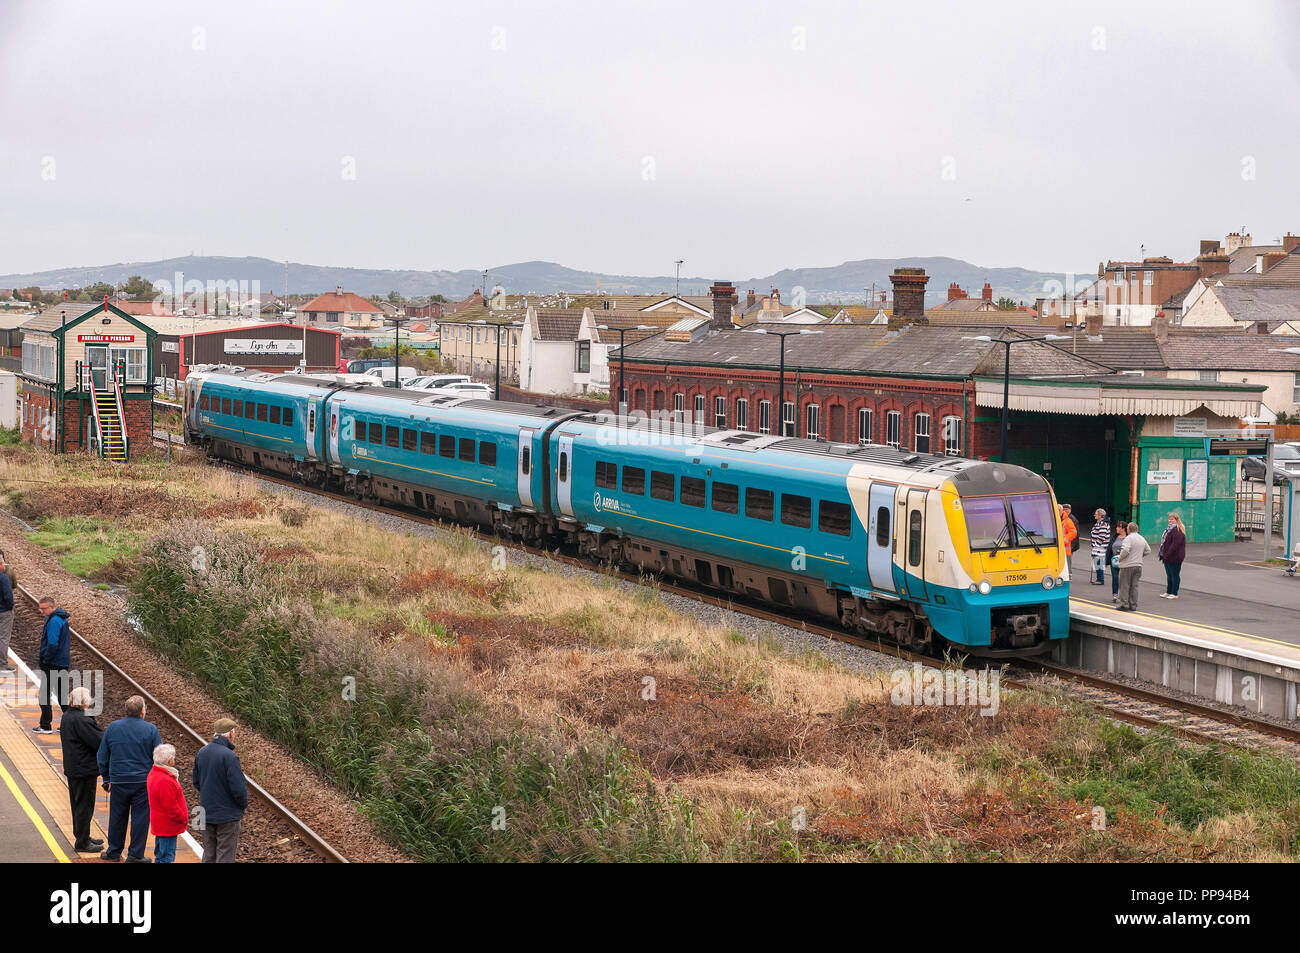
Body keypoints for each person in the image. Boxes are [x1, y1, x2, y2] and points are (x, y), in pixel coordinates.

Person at [96, 695, 163, 862]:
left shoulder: (113, 728)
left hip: (118, 780)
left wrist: (106, 777)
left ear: (126, 711)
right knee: (140, 818)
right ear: (142, 711)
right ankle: (135, 855)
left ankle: (113, 852)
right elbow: (159, 756)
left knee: (117, 816)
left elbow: (102, 755)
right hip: (142, 782)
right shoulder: (151, 730)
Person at [193, 718, 247, 863]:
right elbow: (239, 790)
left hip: (207, 811)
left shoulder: (201, 752)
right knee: (225, 856)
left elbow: (196, 782)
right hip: (227, 815)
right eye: (234, 733)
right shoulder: (230, 757)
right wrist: (241, 806)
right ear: (230, 734)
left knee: (209, 854)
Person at [59, 686, 105, 853]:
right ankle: (82, 842)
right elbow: (99, 741)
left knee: (78, 804)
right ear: (84, 702)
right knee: (85, 806)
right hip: (84, 769)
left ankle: (82, 835)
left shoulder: (67, 716)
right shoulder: (83, 720)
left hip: (74, 767)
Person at [147, 744, 188, 864]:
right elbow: (171, 807)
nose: (174, 759)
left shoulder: (154, 773)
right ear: (169, 760)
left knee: (160, 855)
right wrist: (182, 818)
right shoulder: (165, 780)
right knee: (166, 857)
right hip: (168, 825)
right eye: (173, 757)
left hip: (160, 823)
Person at [35, 597, 70, 734]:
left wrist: (45, 659)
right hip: (62, 662)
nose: (41, 611)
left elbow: (52, 644)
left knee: (44, 695)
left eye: (43, 608)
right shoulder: (61, 619)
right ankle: (67, 726)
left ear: (52, 607)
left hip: (53, 663)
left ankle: (45, 725)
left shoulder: (54, 621)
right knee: (63, 695)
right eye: (40, 608)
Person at [1116, 521, 1150, 611]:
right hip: (1138, 565)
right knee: (1134, 586)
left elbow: (1126, 550)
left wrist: (1120, 558)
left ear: (1128, 530)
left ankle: (1123, 605)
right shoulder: (1142, 538)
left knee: (1124, 586)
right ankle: (1133, 605)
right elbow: (1148, 550)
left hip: (1127, 565)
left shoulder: (1128, 538)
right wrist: (1139, 556)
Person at [1158, 512, 1187, 600]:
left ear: (1176, 520)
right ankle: (1168, 591)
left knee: (1174, 575)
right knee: (1169, 575)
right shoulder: (1168, 529)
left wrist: (1167, 554)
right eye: (1169, 519)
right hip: (1167, 556)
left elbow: (1175, 545)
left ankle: (1174, 593)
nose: (1170, 521)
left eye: (1172, 519)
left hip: (1175, 557)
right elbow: (1164, 542)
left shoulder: (1177, 530)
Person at [1089, 509, 1111, 585]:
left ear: (1100, 516)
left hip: (1100, 547)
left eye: (1096, 514)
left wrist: (1095, 546)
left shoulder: (1103, 525)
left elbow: (1101, 537)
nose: (1094, 515)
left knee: (1099, 562)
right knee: (1097, 562)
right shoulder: (1098, 523)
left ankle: (1100, 579)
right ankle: (1099, 578)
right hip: (1098, 547)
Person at [0, 552, 14, 673]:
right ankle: (3, 664)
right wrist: (10, 607)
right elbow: (8, 597)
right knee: (4, 638)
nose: (4, 564)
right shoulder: (3, 578)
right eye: (2, 562)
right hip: (4, 611)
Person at [1109, 522, 1128, 604]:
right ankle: (1115, 595)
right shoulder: (1115, 537)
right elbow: (1109, 548)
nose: (1116, 528)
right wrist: (1107, 560)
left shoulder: (1128, 538)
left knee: (1123, 579)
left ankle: (1123, 595)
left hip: (1124, 561)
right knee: (1115, 578)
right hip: (1114, 561)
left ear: (1123, 529)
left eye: (1118, 527)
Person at [1059, 504, 1079, 573]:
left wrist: (1064, 541)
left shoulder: (1069, 520)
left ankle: (1069, 574)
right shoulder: (1057, 519)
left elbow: (1074, 533)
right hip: (1061, 547)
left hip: (1066, 547)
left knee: (1067, 563)